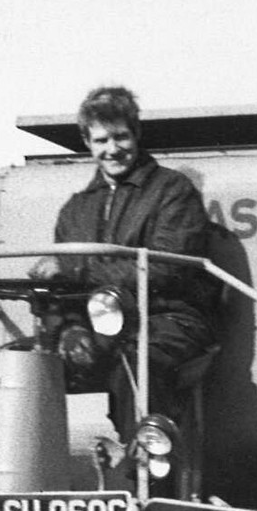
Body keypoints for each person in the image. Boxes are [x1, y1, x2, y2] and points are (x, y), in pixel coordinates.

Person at [51, 85, 220, 443]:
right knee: (29, 362)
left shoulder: (173, 192)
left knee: (139, 360)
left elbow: (165, 269)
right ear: (87, 143)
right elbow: (65, 286)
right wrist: (68, 331)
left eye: (120, 137)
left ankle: (147, 473)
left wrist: (78, 270)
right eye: (101, 141)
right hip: (99, 324)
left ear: (136, 134)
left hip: (168, 318)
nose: (112, 149)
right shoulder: (75, 209)